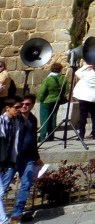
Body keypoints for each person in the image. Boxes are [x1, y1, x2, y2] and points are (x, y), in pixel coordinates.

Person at [10, 94, 41, 223]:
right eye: (22, 104)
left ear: (32, 105)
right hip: (12, 158)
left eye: (27, 104)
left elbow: (33, 141)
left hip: (27, 158)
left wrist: (37, 158)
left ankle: (17, 213)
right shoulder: (14, 118)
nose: (24, 106)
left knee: (26, 184)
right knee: (3, 185)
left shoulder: (33, 120)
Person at [0, 96, 23, 224]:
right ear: (7, 108)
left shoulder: (17, 122)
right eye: (16, 107)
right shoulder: (1, 122)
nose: (19, 110)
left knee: (1, 192)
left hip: (10, 162)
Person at [73, 60, 95, 140]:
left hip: (84, 97)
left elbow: (77, 72)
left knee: (83, 117)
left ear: (92, 66)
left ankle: (81, 134)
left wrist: (86, 66)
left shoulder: (86, 74)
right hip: (94, 98)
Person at [35, 62, 67, 142]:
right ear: (60, 69)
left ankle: (42, 136)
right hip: (57, 100)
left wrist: (39, 99)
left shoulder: (47, 79)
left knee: (44, 119)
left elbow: (42, 91)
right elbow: (66, 90)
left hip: (46, 101)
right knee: (53, 118)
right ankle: (51, 135)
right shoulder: (63, 79)